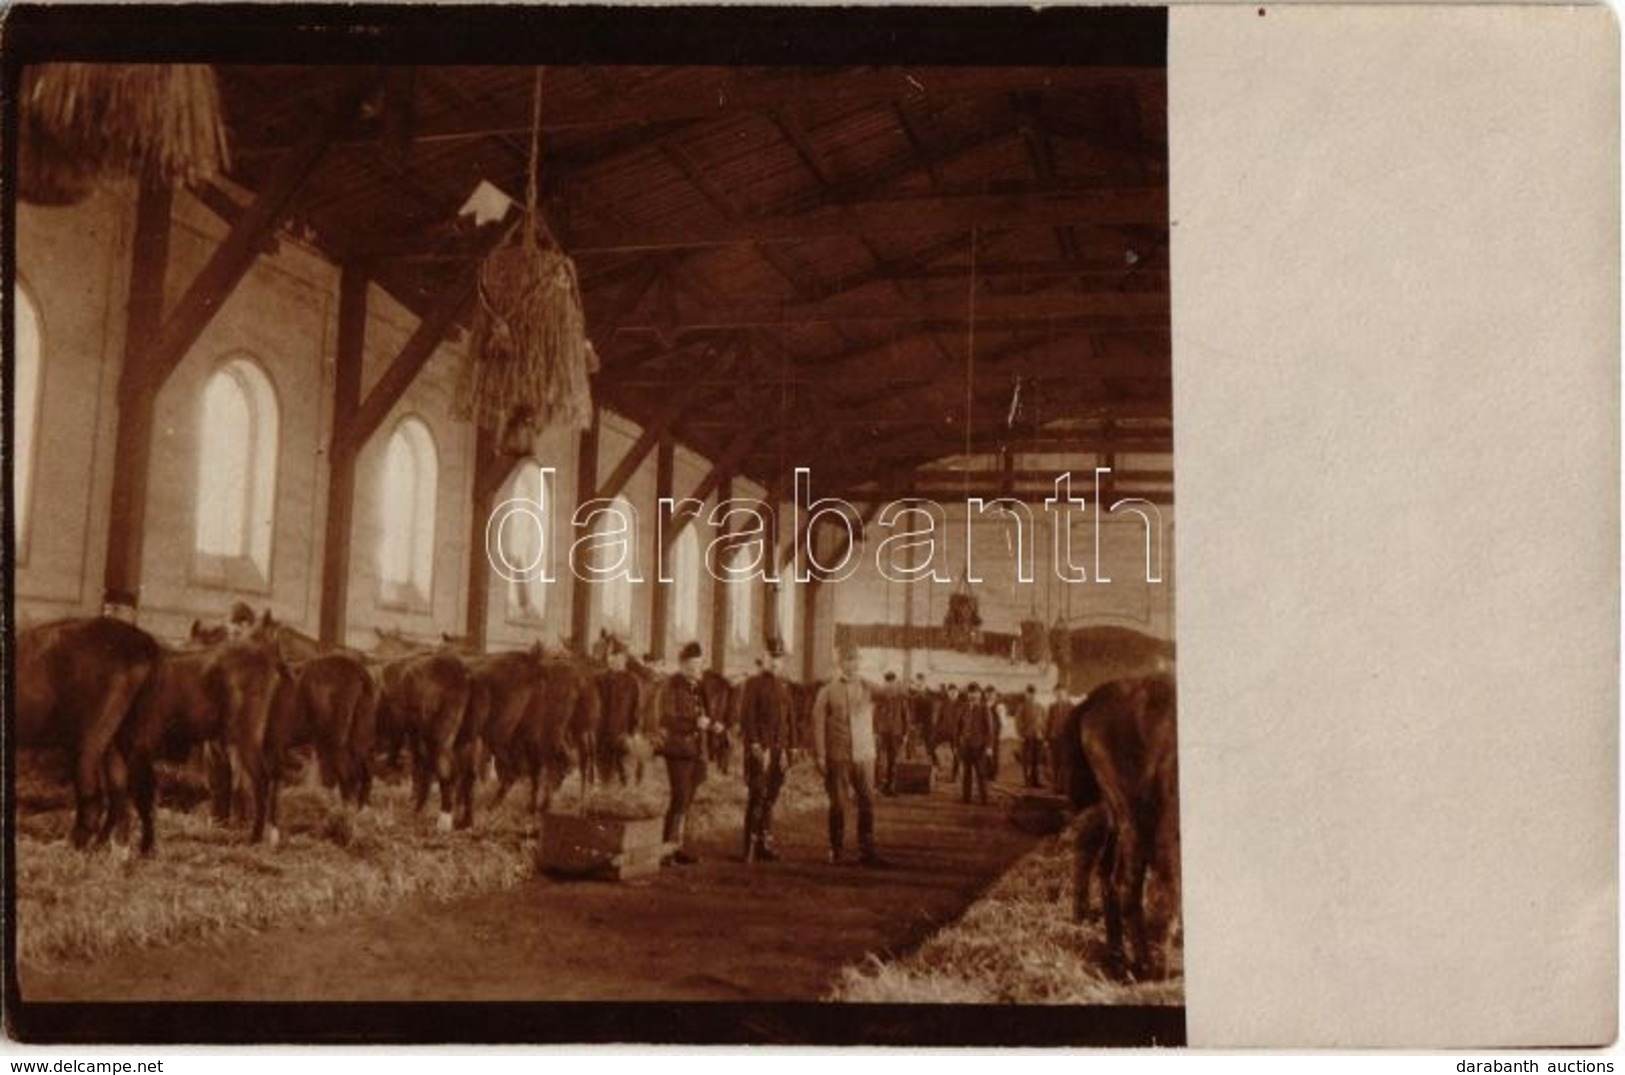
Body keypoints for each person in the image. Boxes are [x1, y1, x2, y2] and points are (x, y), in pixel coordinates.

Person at [811, 644, 884, 866]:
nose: (852, 665)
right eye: (847, 660)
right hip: (839, 756)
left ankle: (866, 849)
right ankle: (836, 848)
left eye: (855, 660)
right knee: (839, 803)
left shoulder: (868, 687)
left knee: (868, 801)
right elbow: (817, 724)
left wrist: (870, 681)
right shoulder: (827, 691)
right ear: (840, 663)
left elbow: (890, 692)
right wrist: (821, 756)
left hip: (864, 755)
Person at [738, 638, 794, 862]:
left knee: (771, 796)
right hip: (761, 750)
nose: (776, 662)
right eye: (772, 657)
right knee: (757, 796)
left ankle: (764, 843)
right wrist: (753, 744)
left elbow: (790, 720)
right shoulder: (753, 684)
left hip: (779, 750)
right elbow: (746, 717)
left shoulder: (783, 687)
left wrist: (792, 748)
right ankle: (749, 846)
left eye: (779, 658)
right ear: (765, 657)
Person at [657, 641, 712, 866]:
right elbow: (666, 719)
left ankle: (678, 847)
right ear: (682, 664)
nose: (696, 668)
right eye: (691, 665)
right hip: (679, 751)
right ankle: (666, 850)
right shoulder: (672, 686)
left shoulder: (696, 686)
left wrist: (711, 724)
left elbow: (703, 715)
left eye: (698, 664)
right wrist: (694, 723)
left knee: (687, 799)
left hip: (696, 751)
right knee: (679, 798)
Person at [595, 638, 641, 787]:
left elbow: (636, 709)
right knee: (603, 774)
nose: (613, 660)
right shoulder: (600, 679)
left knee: (625, 775)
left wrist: (633, 733)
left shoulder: (632, 681)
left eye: (617, 656)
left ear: (625, 659)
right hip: (601, 735)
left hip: (623, 735)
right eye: (610, 656)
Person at [957, 683, 998, 805]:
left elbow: (990, 730)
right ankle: (966, 798)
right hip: (966, 746)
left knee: (981, 773)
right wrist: (957, 743)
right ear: (968, 694)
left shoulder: (984, 708)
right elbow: (958, 727)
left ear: (980, 694)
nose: (973, 695)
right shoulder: (964, 708)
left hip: (980, 747)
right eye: (970, 692)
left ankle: (984, 799)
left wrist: (989, 747)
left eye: (975, 692)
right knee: (967, 773)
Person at [874, 671, 907, 795]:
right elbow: (875, 715)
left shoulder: (900, 698)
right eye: (887, 683)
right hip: (882, 733)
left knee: (893, 760)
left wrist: (905, 734)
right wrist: (875, 732)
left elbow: (905, 716)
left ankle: (890, 787)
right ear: (885, 683)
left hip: (895, 733)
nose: (889, 686)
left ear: (895, 682)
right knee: (880, 760)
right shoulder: (880, 698)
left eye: (891, 683)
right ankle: (879, 786)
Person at [1046, 685, 1075, 793]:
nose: (1059, 695)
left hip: (1065, 740)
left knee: (1065, 763)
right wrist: (1047, 739)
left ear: (1066, 693)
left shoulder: (1071, 707)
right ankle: (1056, 787)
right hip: (1054, 739)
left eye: (1061, 693)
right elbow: (1048, 723)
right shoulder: (1052, 707)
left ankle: (1064, 787)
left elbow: (1073, 725)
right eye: (1057, 693)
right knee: (1055, 763)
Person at [1017, 684, 1047, 788]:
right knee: (1028, 760)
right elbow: (1018, 722)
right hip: (1027, 737)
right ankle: (1028, 781)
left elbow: (1044, 722)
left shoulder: (1040, 707)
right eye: (1029, 693)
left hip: (1038, 737)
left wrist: (1042, 733)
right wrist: (1021, 735)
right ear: (1026, 694)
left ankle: (1036, 781)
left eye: (1033, 693)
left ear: (1035, 694)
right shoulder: (1022, 707)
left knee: (1037, 760)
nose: (1031, 695)